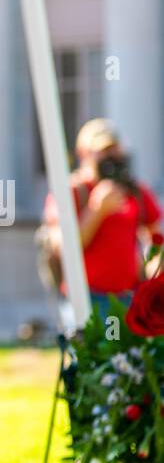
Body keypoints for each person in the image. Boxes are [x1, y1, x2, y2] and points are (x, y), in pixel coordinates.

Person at [41, 118, 163, 318]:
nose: (112, 157)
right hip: (86, 298)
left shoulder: (135, 192)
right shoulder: (72, 192)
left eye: (116, 150)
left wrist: (153, 270)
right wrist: (97, 210)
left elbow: (156, 237)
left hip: (129, 297)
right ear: (84, 154)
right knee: (91, 349)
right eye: (104, 151)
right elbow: (64, 247)